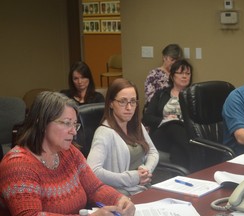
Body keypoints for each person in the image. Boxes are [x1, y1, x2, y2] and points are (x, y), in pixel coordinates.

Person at [0, 91, 135, 216]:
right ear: (41, 123)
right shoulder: (17, 164)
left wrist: (119, 199)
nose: (74, 132)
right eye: (66, 123)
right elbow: (30, 215)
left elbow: (95, 188)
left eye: (75, 124)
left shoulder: (69, 152)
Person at [87, 78, 159, 196]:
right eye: (122, 101)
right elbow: (93, 171)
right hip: (121, 195)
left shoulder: (136, 125)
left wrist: (146, 171)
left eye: (133, 101)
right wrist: (133, 178)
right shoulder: (104, 132)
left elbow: (153, 152)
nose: (129, 108)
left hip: (142, 188)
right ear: (111, 103)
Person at [142, 59, 193, 170]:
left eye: (187, 73)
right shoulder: (161, 94)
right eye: (180, 73)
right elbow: (146, 118)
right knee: (173, 124)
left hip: (184, 135)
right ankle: (196, 155)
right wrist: (164, 120)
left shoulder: (193, 96)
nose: (184, 76)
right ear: (172, 76)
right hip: (162, 135)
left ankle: (180, 179)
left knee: (178, 150)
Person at [144, 44, 183, 110]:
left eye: (177, 61)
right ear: (164, 58)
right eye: (172, 60)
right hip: (157, 109)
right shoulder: (154, 74)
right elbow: (149, 97)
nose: (174, 63)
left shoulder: (179, 75)